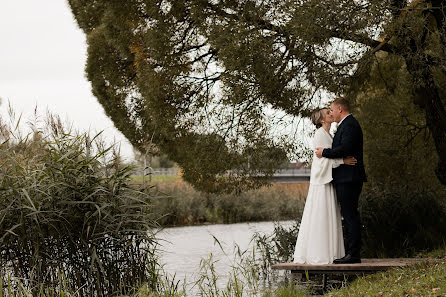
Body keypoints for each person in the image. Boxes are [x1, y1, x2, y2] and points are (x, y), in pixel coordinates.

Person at [293, 108, 357, 264]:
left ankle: (332, 252)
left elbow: (329, 153)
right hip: (322, 182)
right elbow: (322, 159)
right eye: (327, 113)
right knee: (321, 214)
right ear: (322, 120)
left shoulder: (328, 134)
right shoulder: (320, 134)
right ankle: (320, 253)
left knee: (329, 214)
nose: (331, 114)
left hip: (328, 180)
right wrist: (343, 161)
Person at [315, 97, 367, 264]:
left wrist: (324, 152)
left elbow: (345, 149)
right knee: (349, 214)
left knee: (350, 215)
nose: (331, 113)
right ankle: (351, 252)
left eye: (332, 110)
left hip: (349, 177)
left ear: (340, 110)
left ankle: (353, 254)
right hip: (346, 177)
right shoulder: (345, 125)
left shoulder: (350, 125)